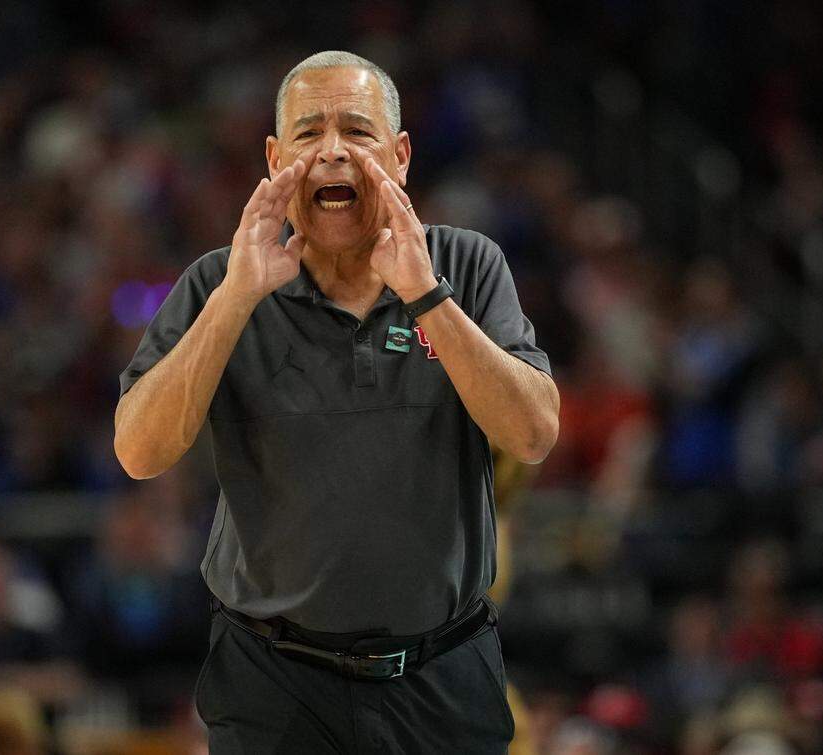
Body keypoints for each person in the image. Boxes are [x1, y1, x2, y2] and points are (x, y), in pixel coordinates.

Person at [114, 50, 559, 753]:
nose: (331, 153)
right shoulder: (218, 283)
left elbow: (533, 432)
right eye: (307, 133)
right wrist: (237, 297)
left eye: (356, 131)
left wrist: (426, 295)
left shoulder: (467, 265)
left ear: (401, 154)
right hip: (271, 680)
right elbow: (139, 452)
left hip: (442, 672)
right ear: (273, 157)